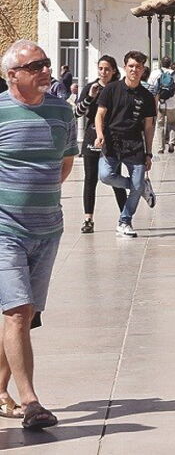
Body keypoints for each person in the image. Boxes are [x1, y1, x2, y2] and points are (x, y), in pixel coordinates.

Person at [0, 40, 78, 430]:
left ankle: (0, 391)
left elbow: (65, 163)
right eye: (36, 66)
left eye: (47, 63)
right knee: (15, 311)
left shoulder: (62, 110)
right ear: (12, 75)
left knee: (25, 314)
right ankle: (31, 402)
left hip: (48, 228)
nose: (47, 70)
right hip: (4, 230)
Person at [95, 51, 157, 238]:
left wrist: (149, 153)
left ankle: (125, 221)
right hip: (112, 141)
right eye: (131, 66)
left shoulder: (146, 96)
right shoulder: (111, 89)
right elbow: (100, 115)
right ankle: (139, 188)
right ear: (124, 67)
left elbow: (148, 126)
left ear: (143, 70)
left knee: (137, 183)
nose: (134, 70)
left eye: (138, 67)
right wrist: (99, 135)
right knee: (105, 176)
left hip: (134, 143)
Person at [74, 55, 127, 233]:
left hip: (112, 138)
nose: (103, 72)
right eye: (100, 68)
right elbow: (77, 112)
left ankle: (125, 216)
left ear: (114, 71)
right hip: (92, 137)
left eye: (107, 69)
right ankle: (88, 219)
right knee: (90, 179)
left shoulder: (119, 89)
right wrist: (90, 97)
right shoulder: (91, 87)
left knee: (114, 177)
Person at [147, 56, 175, 154]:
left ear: (161, 63)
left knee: (160, 125)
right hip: (171, 103)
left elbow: (150, 86)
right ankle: (171, 142)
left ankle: (160, 147)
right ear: (170, 63)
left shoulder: (155, 73)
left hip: (160, 103)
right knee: (172, 123)